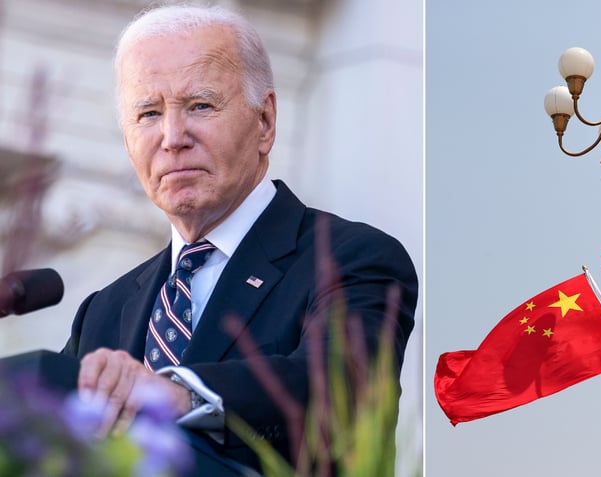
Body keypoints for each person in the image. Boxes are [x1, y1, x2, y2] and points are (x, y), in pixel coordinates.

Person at [60, 3, 418, 474]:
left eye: (200, 106)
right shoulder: (102, 312)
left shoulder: (351, 257)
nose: (172, 136)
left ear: (265, 121)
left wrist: (175, 392)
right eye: (148, 112)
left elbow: (341, 389)